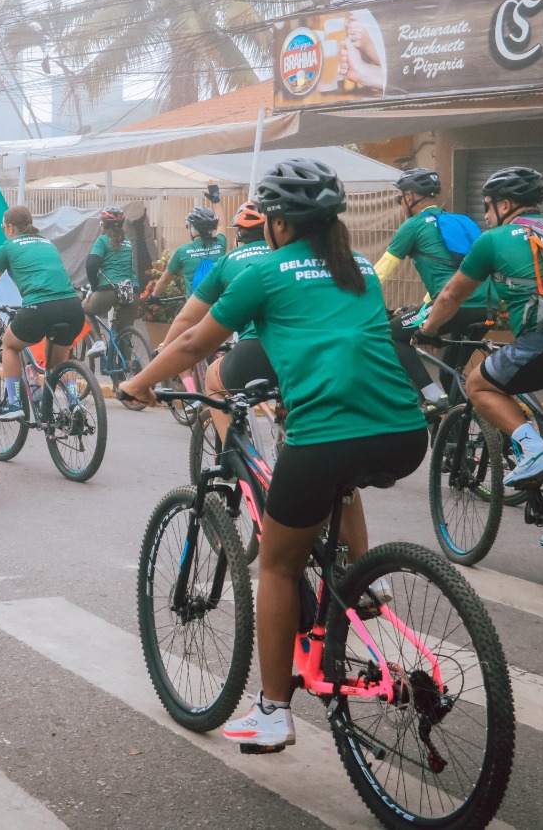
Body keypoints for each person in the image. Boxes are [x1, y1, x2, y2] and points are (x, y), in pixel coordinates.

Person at [121, 159, 427, 752]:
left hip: (326, 437)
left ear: (279, 224)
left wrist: (136, 385)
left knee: (278, 566)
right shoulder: (360, 266)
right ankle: (356, 582)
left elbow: (191, 341)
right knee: (339, 483)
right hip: (405, 433)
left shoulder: (265, 272)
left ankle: (272, 711)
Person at [421, 166, 543, 494]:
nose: (485, 215)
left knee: (478, 386)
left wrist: (428, 330)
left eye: (487, 205)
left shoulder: (494, 240)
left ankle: (531, 447)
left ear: (506, 204)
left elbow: (452, 295)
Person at [375, 168, 490, 416]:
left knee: (392, 333)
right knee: (452, 373)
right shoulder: (460, 221)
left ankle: (431, 395)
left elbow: (379, 274)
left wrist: (353, 299)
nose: (400, 204)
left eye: (399, 198)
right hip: (488, 307)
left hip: (454, 305)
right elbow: (451, 274)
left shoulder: (414, 225)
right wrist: (421, 307)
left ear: (409, 196)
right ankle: (460, 430)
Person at [160, 201, 276, 442]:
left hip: (210, 309)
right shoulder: (224, 245)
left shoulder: (195, 253)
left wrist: (163, 347)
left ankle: (229, 450)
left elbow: (179, 305)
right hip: (298, 343)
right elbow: (222, 224)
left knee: (208, 370)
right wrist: (215, 198)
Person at [0, 205, 86, 420]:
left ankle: (15, 402)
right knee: (58, 362)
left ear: (10, 228)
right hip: (72, 307)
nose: (3, 231)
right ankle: (75, 404)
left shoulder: (8, 247)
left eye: (3, 227)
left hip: (40, 308)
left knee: (9, 345)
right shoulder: (48, 243)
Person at [146, 206, 227, 303]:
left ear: (193, 228)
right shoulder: (220, 244)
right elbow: (221, 224)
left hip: (194, 308)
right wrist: (215, 199)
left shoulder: (182, 251)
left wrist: (154, 296)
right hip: (219, 306)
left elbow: (165, 279)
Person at [82, 206, 138, 336]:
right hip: (131, 291)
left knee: (83, 310)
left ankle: (98, 342)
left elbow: (91, 265)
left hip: (109, 290)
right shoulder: (128, 243)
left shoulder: (102, 240)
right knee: (124, 335)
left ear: (103, 225)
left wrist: (95, 287)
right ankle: (126, 356)